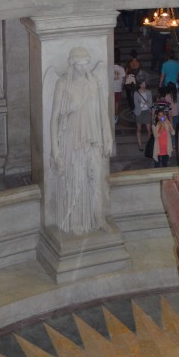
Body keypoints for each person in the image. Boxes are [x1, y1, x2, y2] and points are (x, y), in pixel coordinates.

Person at [50, 47, 113, 233]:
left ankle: (98, 218)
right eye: (80, 64)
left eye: (87, 63)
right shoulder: (63, 84)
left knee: (96, 177)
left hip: (93, 136)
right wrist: (55, 149)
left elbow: (103, 111)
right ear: (72, 64)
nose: (84, 68)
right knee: (75, 178)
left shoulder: (94, 82)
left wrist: (108, 137)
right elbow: (54, 118)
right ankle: (76, 220)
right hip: (72, 138)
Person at [134, 78, 153, 151]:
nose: (144, 85)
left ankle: (148, 145)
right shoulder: (136, 93)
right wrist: (144, 104)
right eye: (142, 84)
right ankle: (140, 145)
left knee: (149, 129)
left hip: (147, 112)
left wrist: (142, 104)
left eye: (145, 84)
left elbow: (150, 103)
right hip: (139, 112)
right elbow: (136, 104)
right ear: (139, 85)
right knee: (139, 129)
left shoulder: (149, 92)